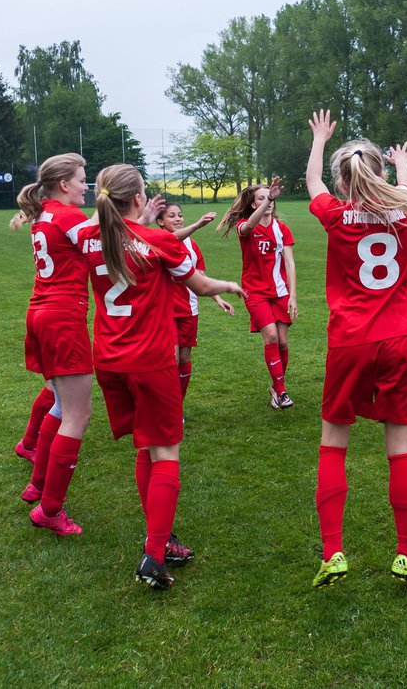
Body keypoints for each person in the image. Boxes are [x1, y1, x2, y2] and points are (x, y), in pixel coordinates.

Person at [78, 164, 243, 589]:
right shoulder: (158, 241)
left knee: (146, 444)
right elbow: (200, 286)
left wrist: (139, 220)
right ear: (137, 199)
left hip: (109, 361)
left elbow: (109, 234)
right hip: (150, 361)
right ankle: (154, 556)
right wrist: (228, 284)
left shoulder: (88, 238)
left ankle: (162, 536)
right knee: (166, 450)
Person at [304, 109, 407, 588]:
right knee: (401, 448)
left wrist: (320, 140)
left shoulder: (336, 215)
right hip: (399, 341)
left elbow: (311, 184)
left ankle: (333, 552)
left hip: (350, 342)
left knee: (333, 443)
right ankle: (405, 554)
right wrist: (402, 163)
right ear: (380, 176)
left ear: (343, 181)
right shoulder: (404, 215)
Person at [9, 153, 96, 537]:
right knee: (78, 415)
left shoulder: (44, 216)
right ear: (63, 184)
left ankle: (38, 485)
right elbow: (106, 248)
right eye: (81, 179)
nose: (86, 186)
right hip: (62, 318)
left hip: (41, 314)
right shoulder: (67, 216)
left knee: (60, 405)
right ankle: (50, 509)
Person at [217, 180, 298, 409]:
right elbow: (249, 226)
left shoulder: (282, 229)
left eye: (269, 198)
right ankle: (281, 392)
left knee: (282, 342)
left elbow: (290, 264)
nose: (267, 202)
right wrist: (269, 200)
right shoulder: (245, 226)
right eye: (261, 199)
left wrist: (292, 295)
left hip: (280, 292)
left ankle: (275, 386)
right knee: (271, 336)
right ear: (252, 205)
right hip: (254, 292)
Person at [155, 203, 235, 401]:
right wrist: (198, 224)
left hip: (189, 308)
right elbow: (169, 242)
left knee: (184, 358)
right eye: (171, 216)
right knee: (171, 359)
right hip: (165, 310)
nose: (178, 219)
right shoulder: (158, 241)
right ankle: (167, 403)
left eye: (180, 215)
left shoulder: (191, 244)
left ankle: (177, 403)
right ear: (160, 222)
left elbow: (201, 277)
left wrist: (217, 298)